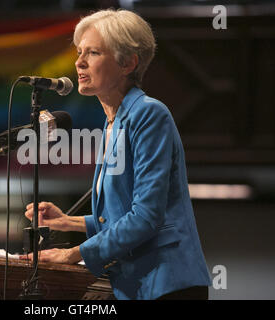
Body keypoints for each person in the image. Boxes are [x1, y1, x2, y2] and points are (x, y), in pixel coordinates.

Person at [22, 9, 211, 300]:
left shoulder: (149, 113)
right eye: (80, 51)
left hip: (168, 283)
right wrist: (67, 222)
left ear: (128, 63)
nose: (79, 61)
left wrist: (72, 254)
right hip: (140, 284)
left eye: (93, 52)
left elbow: (146, 216)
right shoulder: (114, 122)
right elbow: (119, 215)